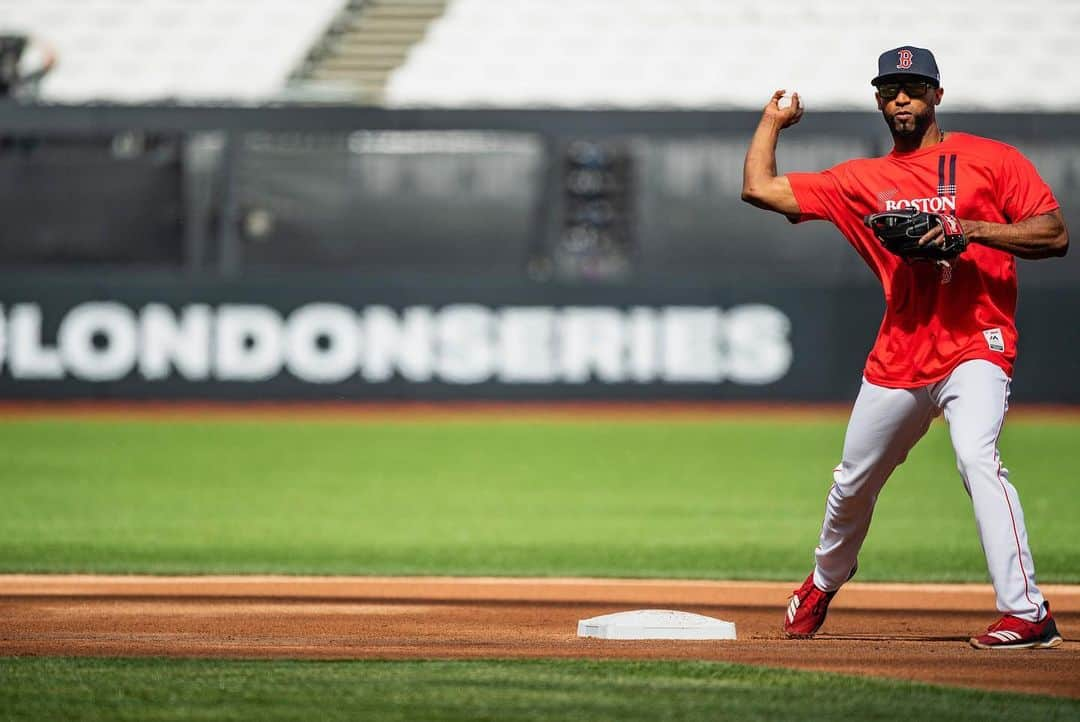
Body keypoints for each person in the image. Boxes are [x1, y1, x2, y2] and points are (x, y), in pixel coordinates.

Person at [740, 45, 1069, 649]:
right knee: (853, 482)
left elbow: (1053, 233)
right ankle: (822, 581)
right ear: (878, 99)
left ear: (936, 95)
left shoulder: (992, 160)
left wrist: (966, 228)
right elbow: (759, 189)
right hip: (901, 352)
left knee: (978, 456)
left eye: (914, 88)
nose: (901, 99)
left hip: (978, 340)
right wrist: (771, 121)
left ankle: (1026, 612)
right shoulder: (861, 181)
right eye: (891, 88)